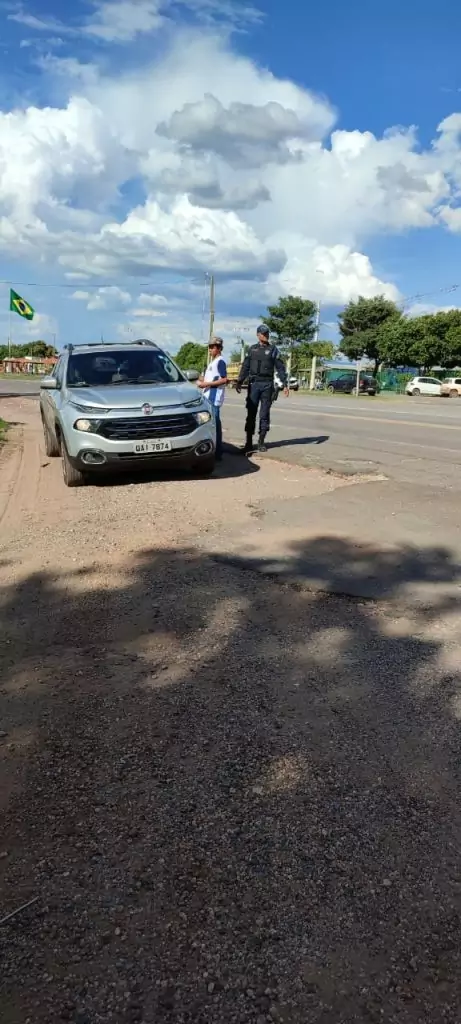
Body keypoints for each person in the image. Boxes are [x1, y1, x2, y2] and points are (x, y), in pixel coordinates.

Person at [236, 325, 289, 453]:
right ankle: (248, 443)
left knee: (264, 414)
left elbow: (280, 368)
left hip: (267, 385)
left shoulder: (273, 350)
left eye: (267, 334)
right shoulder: (252, 349)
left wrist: (285, 384)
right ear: (258, 335)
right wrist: (239, 381)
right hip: (254, 384)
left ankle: (261, 442)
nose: (266, 336)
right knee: (251, 414)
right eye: (263, 334)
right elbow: (246, 366)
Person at [198, 337, 228, 461]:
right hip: (208, 396)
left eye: (213, 347)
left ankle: (217, 453)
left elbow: (224, 379)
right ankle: (216, 450)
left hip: (214, 397)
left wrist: (206, 384)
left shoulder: (220, 361)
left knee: (214, 425)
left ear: (219, 348)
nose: (210, 349)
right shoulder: (212, 362)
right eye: (209, 347)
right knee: (214, 424)